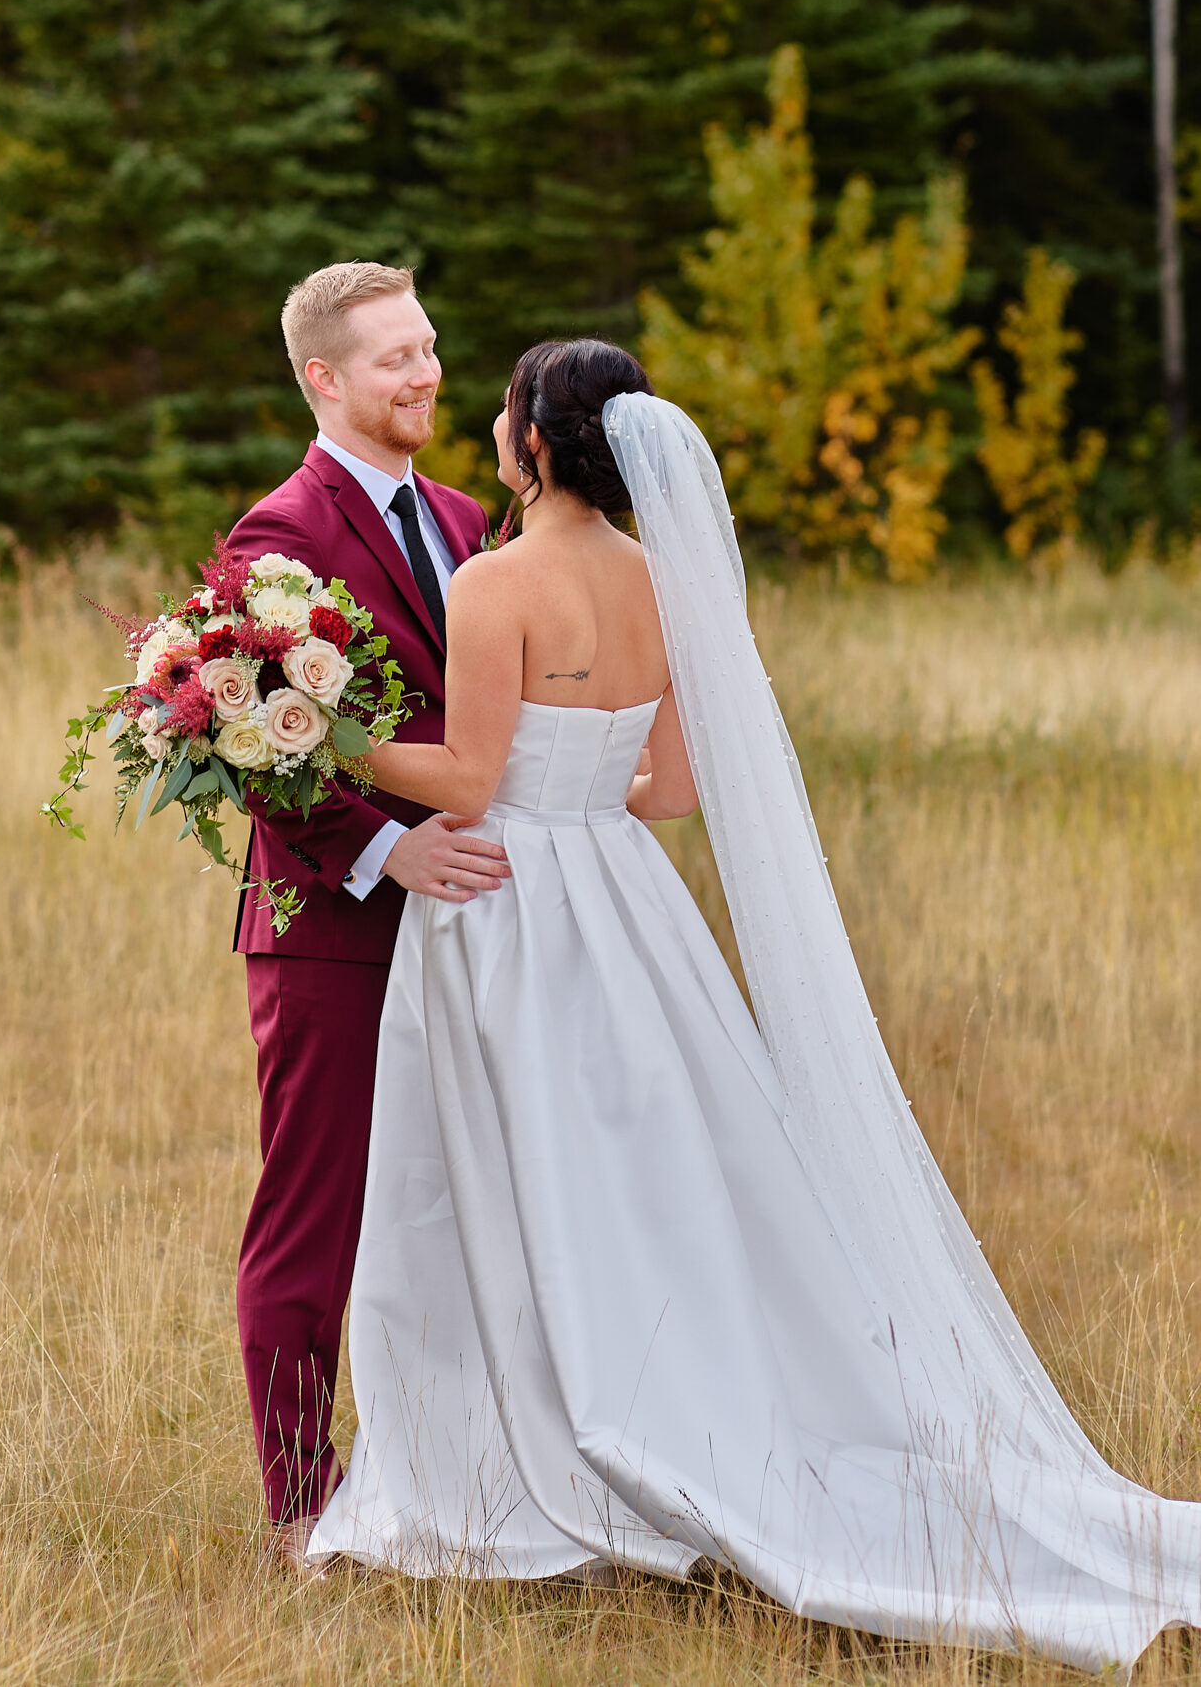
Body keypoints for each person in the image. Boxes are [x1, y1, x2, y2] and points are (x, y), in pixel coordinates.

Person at [306, 338, 1201, 1671]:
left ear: (534, 445)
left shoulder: (496, 580)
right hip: (628, 900)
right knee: (640, 1182)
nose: (490, 427)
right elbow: (665, 790)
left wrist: (310, 726)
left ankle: (525, 1470)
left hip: (513, 905)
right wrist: (580, 770)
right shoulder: (660, 577)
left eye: (500, 411)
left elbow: (470, 782)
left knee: (500, 1179)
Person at [224, 261, 509, 1562]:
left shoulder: (465, 519)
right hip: (332, 928)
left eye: (430, 346)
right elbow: (244, 729)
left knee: (470, 1199)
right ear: (323, 379)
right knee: (318, 1210)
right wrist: (382, 851)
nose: (425, 373)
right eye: (394, 357)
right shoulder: (277, 535)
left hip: (478, 922)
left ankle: (461, 1471)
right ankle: (301, 1504)